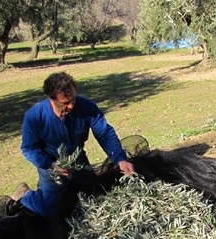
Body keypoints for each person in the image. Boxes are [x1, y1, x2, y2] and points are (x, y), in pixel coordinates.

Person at [9, 71, 134, 221]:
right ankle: (26, 196)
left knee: (95, 197)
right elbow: (29, 149)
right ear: (51, 98)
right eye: (65, 103)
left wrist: (120, 159)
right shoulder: (35, 117)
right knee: (52, 211)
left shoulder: (86, 107)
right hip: (51, 165)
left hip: (78, 161)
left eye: (73, 99)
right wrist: (51, 164)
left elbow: (105, 133)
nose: (71, 105)